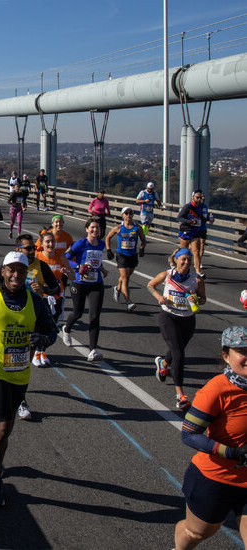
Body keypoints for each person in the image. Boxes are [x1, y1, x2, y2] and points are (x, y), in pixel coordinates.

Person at [0, 251, 57, 507]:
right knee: (3, 426)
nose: (16, 275)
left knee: (6, 431)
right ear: (3, 272)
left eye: (21, 271)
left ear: (26, 274)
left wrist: (45, 340)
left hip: (21, 372)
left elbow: (52, 330)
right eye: (11, 270)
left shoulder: (35, 301)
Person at [172, 326, 247, 549]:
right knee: (195, 534)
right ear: (226, 355)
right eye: (243, 350)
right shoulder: (216, 390)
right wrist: (232, 452)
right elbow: (189, 435)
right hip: (215, 479)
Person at [147, 247, 206, 410]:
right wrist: (159, 297)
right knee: (179, 354)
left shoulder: (197, 279)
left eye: (189, 259)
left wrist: (196, 299)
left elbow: (203, 300)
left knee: (176, 350)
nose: (186, 262)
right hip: (168, 317)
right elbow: (150, 285)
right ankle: (180, 395)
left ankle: (163, 364)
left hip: (187, 320)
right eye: (183, 259)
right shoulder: (167, 275)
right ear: (176, 260)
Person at [61, 218, 109, 362]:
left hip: (96, 283)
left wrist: (102, 269)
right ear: (86, 229)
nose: (95, 231)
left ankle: (93, 350)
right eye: (92, 228)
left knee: (95, 316)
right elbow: (65, 258)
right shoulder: (80, 244)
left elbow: (96, 261)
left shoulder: (101, 244)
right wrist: (78, 267)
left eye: (98, 228)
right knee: (78, 312)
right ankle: (67, 329)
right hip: (79, 282)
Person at [35, 231, 74, 367]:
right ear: (41, 243)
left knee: (52, 327)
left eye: (52, 241)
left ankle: (43, 351)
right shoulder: (37, 256)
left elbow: (73, 277)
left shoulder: (61, 257)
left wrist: (67, 273)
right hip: (41, 296)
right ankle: (37, 353)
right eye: (47, 242)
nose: (50, 244)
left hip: (57, 296)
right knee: (41, 325)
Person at [104, 207, 146, 312]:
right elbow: (108, 237)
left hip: (132, 255)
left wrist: (142, 248)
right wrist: (109, 250)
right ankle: (128, 302)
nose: (128, 215)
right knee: (126, 280)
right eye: (126, 213)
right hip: (122, 255)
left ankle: (117, 289)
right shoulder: (118, 227)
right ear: (122, 215)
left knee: (125, 277)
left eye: (130, 213)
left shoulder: (137, 228)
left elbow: (143, 240)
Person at [176, 190, 208, 279]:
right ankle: (176, 264)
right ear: (193, 197)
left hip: (195, 231)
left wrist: (209, 219)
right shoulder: (188, 206)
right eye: (197, 197)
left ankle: (198, 272)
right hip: (186, 231)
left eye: (200, 197)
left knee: (196, 252)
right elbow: (179, 218)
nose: (199, 199)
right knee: (184, 252)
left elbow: (202, 218)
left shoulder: (201, 207)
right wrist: (189, 221)